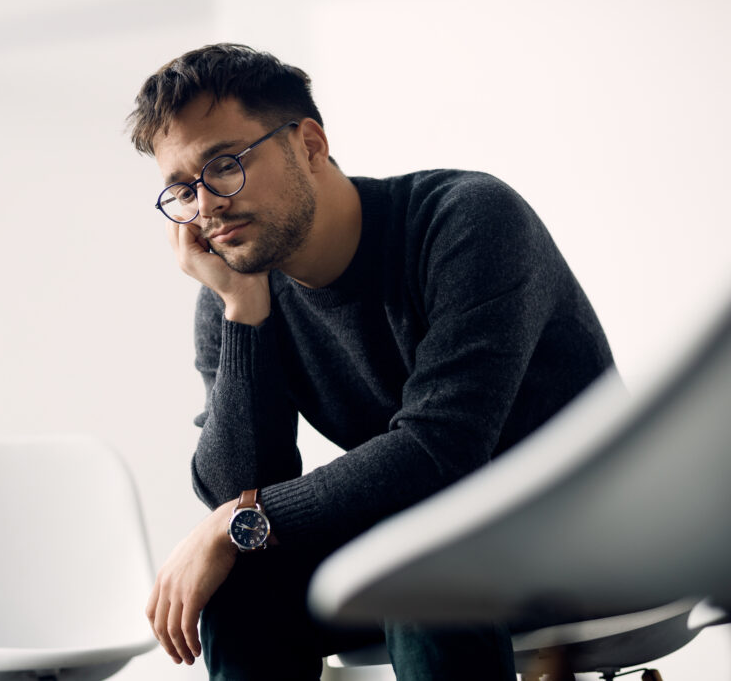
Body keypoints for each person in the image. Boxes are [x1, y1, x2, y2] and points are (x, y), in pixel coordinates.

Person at [129, 43, 613, 680]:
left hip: (594, 539)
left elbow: (441, 453)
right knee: (241, 589)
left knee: (416, 566)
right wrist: (244, 308)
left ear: (309, 144)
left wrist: (238, 522)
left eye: (224, 164)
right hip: (432, 540)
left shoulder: (465, 220)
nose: (206, 205)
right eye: (181, 188)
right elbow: (237, 487)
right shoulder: (236, 289)